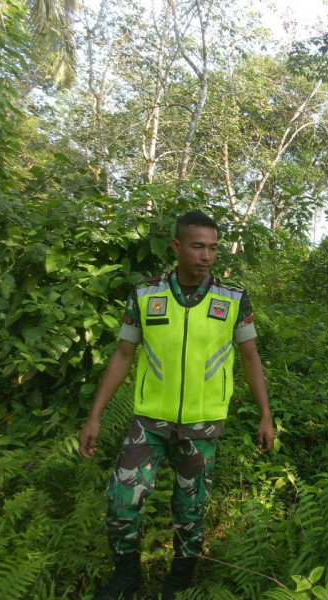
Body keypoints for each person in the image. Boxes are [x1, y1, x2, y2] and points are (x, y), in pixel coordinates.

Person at [78, 210, 275, 600]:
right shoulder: (146, 293)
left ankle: (178, 584)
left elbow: (250, 357)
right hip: (149, 421)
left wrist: (266, 415)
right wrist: (94, 416)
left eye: (213, 248)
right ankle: (126, 574)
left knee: (191, 511)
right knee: (122, 500)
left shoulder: (232, 297)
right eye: (198, 246)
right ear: (177, 246)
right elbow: (122, 355)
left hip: (202, 426)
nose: (206, 256)